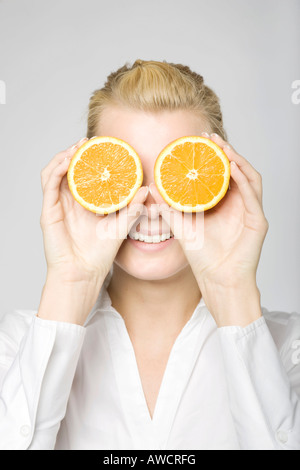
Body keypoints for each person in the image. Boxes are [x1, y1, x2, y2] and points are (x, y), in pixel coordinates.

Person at [0, 59, 299, 451]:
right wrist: (69, 283)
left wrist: (232, 289)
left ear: (221, 181)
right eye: (126, 176)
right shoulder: (18, 344)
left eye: (174, 177)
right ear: (86, 182)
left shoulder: (287, 348)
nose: (150, 206)